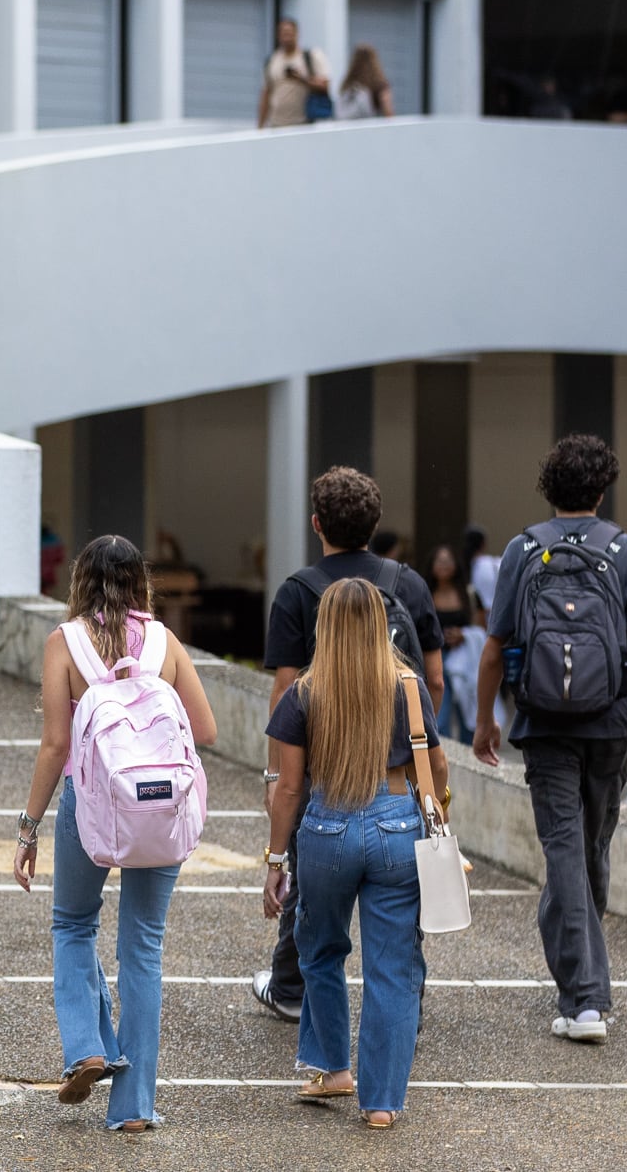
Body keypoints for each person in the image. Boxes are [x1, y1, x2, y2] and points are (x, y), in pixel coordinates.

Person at [12, 535, 216, 1132]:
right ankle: (133, 1109)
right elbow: (204, 729)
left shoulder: (64, 642)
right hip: (160, 806)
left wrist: (28, 829)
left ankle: (86, 1046)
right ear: (140, 582)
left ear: (81, 580)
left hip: (93, 804)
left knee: (74, 924)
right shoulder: (165, 641)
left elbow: (56, 745)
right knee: (143, 948)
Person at [473, 435, 627, 1046]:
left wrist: (485, 719)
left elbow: (495, 649)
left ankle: (583, 999)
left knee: (567, 851)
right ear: (602, 490)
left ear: (548, 488)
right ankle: (585, 994)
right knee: (586, 851)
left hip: (545, 726)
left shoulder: (523, 550)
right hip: (612, 725)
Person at [252, 466, 444, 1023]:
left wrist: (275, 776)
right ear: (375, 525)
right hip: (396, 774)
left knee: (311, 886)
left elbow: (286, 689)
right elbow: (432, 678)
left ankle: (292, 988)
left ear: (316, 524)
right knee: (400, 901)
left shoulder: (299, 591)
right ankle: (406, 999)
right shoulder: (408, 585)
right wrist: (414, 743)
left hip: (324, 771)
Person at [261, 578, 442, 1130]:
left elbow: (289, 788)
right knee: (393, 966)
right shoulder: (408, 686)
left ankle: (332, 1068)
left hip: (328, 824)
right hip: (397, 821)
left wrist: (275, 861)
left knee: (319, 949)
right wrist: (438, 819)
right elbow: (435, 766)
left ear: (326, 628)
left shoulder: (305, 693)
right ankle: (381, 1103)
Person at [428, 544, 481, 744]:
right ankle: (444, 756)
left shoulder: (468, 594)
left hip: (464, 658)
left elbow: (482, 627)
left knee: (467, 713)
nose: (443, 565)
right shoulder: (425, 593)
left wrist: (463, 635)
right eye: (439, 560)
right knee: (440, 716)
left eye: (448, 560)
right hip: (436, 657)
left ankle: (469, 754)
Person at [257, 18, 331, 129]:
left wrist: (301, 79)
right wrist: (260, 127)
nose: (287, 37)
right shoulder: (272, 60)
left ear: (297, 34)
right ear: (278, 36)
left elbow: (325, 86)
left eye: (289, 33)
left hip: (303, 124)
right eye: (283, 33)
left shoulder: (311, 57)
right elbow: (266, 94)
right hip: (276, 124)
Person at [335, 44, 395, 121]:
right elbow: (388, 112)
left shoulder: (348, 83)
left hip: (349, 127)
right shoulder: (379, 84)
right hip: (372, 127)